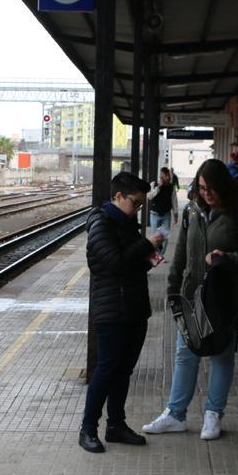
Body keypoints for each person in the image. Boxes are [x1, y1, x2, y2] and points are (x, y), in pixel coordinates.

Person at [143, 158, 238, 440]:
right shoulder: (192, 211)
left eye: (210, 188)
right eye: (201, 187)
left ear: (224, 186)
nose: (206, 193)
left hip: (227, 297)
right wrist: (173, 290)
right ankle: (176, 414)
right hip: (194, 294)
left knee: (221, 354)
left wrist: (225, 258)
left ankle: (213, 414)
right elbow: (182, 253)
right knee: (185, 353)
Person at [79, 172, 164, 453]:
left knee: (124, 370)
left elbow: (130, 265)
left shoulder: (126, 224)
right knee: (106, 369)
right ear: (117, 197)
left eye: (141, 204)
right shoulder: (101, 225)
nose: (138, 209)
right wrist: (146, 245)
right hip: (112, 310)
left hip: (134, 308)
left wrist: (149, 259)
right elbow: (114, 264)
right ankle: (88, 429)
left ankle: (116, 425)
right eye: (135, 203)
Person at [147, 167, 178, 258]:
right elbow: (149, 196)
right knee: (155, 238)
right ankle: (156, 256)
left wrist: (175, 215)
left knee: (164, 237)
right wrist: (158, 187)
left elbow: (174, 202)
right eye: (164, 176)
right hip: (154, 215)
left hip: (166, 215)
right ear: (160, 176)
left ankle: (160, 255)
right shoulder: (154, 184)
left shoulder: (171, 188)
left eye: (167, 176)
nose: (166, 178)